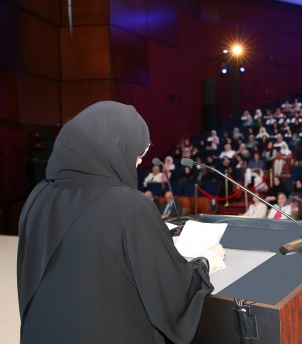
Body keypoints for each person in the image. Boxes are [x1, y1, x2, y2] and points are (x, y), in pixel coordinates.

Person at [17, 101, 214, 343]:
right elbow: (172, 295)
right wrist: (204, 263)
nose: (139, 162)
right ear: (114, 148)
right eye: (137, 153)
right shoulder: (129, 205)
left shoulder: (38, 196)